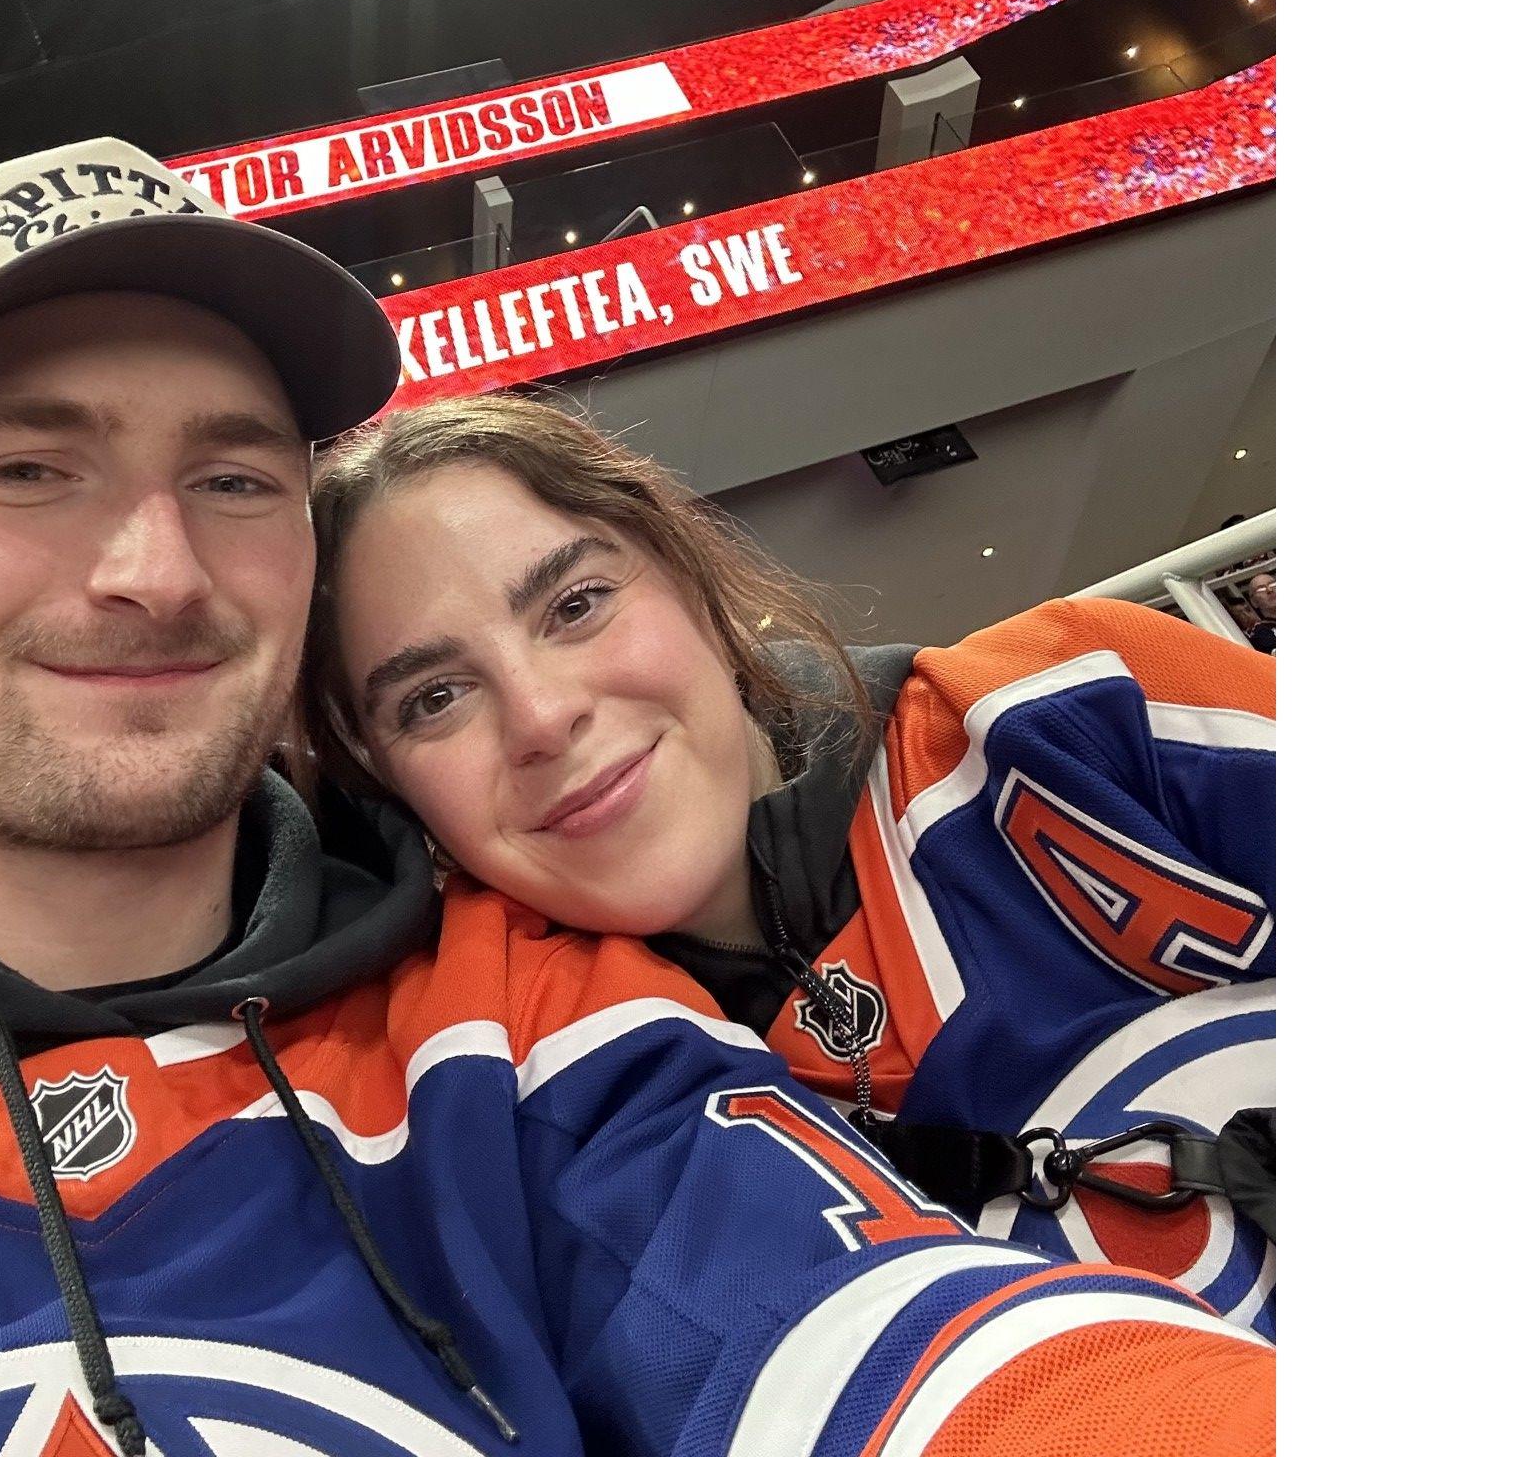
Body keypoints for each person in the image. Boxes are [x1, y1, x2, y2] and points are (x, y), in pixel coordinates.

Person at [0, 141, 1273, 1456]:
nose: (157, 569)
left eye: (230, 478)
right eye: (24, 469)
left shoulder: (530, 1032)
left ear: (690, 577)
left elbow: (886, 1346)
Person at [304, 393, 1279, 1340]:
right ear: (386, 784)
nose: (543, 716)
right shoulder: (532, 1086)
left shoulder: (1067, 710)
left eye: (577, 603)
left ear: (688, 577)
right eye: (433, 698)